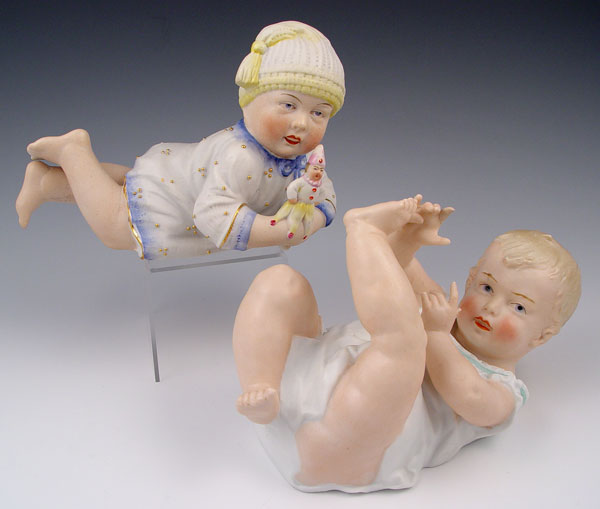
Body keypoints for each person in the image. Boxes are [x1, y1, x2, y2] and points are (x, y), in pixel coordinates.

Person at [233, 196, 581, 492]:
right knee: (281, 282)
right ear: (471, 278)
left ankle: (364, 231)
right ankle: (262, 390)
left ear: (542, 335)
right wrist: (409, 240)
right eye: (487, 287)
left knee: (406, 341)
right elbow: (395, 270)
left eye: (518, 307)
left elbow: (468, 396)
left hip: (338, 448)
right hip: (302, 387)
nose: (491, 307)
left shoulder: (503, 392)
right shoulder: (443, 312)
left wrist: (435, 335)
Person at [16, 21, 344, 260]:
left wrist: (313, 219)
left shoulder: (304, 160)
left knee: (129, 185)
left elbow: (326, 195)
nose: (302, 123)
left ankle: (45, 182)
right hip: (175, 202)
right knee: (115, 225)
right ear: (249, 100)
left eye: (319, 113)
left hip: (178, 174)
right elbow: (215, 217)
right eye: (288, 105)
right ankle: (73, 152)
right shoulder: (241, 158)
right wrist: (285, 231)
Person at [270, 144, 327, 239]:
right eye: (315, 169)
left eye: (321, 170)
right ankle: (289, 229)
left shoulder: (319, 185)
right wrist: (292, 197)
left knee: (309, 220)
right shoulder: (302, 181)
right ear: (307, 168)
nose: (318, 172)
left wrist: (318, 201)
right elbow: (292, 187)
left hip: (309, 206)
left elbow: (323, 193)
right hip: (298, 204)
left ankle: (306, 233)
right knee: (293, 216)